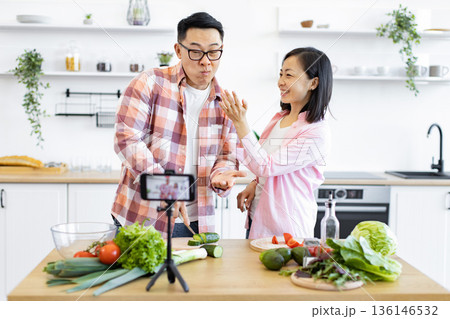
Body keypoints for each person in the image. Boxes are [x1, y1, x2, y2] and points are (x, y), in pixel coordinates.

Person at [112, 12, 245, 238]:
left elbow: (226, 156)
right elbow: (126, 140)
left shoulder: (226, 104)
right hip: (143, 216)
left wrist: (221, 177)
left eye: (214, 51)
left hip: (195, 221)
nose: (206, 61)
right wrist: (169, 191)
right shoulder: (149, 83)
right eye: (195, 51)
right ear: (178, 50)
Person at [219, 47, 332, 239]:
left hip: (286, 229)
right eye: (281, 74)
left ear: (313, 82)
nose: (281, 82)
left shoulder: (316, 132)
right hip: (257, 219)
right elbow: (261, 160)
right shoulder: (279, 118)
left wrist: (240, 122)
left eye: (289, 75)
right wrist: (256, 184)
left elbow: (266, 166)